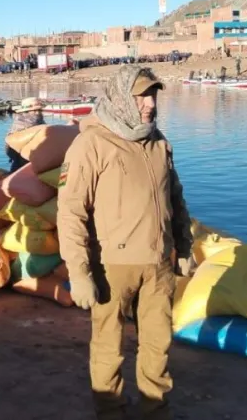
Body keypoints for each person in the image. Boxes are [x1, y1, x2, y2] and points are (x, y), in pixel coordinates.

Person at [58, 66, 193, 420]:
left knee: (158, 344)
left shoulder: (159, 141)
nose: (149, 104)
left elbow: (175, 199)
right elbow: (71, 212)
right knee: (108, 346)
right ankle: (110, 410)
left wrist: (184, 246)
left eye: (153, 95)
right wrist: (80, 272)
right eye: (141, 96)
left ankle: (154, 409)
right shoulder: (92, 143)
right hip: (112, 267)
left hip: (159, 264)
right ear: (121, 97)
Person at [6, 97, 45, 172]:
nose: (38, 113)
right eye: (34, 110)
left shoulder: (40, 122)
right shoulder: (21, 124)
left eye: (39, 110)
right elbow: (10, 149)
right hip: (21, 164)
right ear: (26, 112)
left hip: (38, 162)